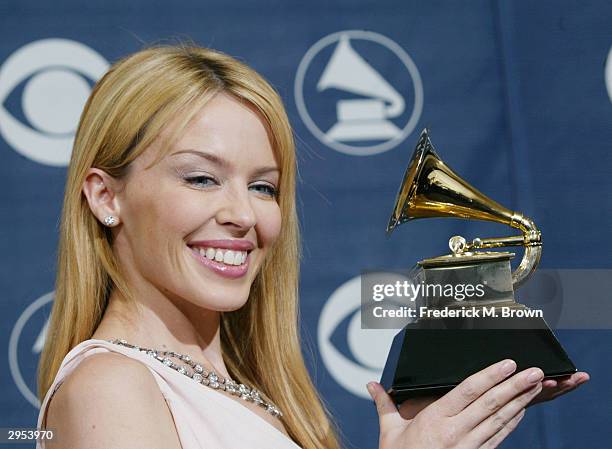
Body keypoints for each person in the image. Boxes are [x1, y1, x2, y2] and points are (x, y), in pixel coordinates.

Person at [35, 43, 589, 449]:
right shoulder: (110, 389)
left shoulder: (245, 389)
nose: (243, 215)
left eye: (263, 187)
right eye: (201, 178)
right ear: (106, 197)